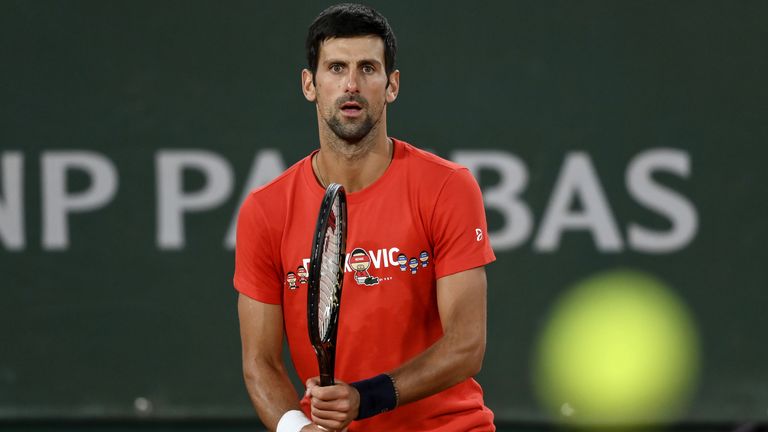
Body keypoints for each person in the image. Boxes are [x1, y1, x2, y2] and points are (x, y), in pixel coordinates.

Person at [234, 3, 496, 431]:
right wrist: (297, 429)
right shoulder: (265, 210)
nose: (351, 84)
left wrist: (365, 397)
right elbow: (260, 361)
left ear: (391, 85)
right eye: (336, 68)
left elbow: (467, 345)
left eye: (368, 69)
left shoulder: (447, 187)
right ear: (309, 85)